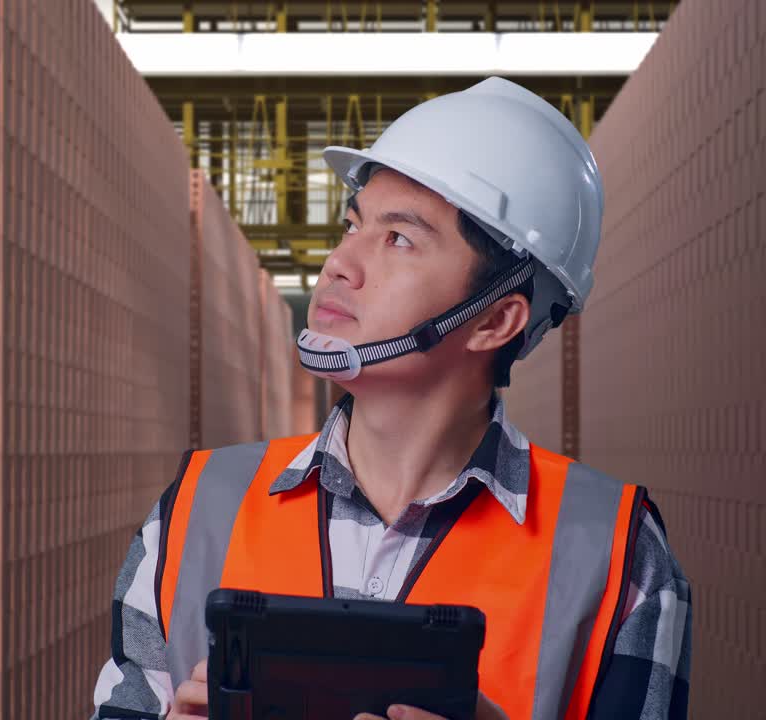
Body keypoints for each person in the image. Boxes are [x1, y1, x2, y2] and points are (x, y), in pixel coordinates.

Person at [89, 76, 691, 720]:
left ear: (495, 320)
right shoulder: (197, 505)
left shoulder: (616, 550)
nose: (340, 264)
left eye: (399, 238)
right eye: (354, 224)